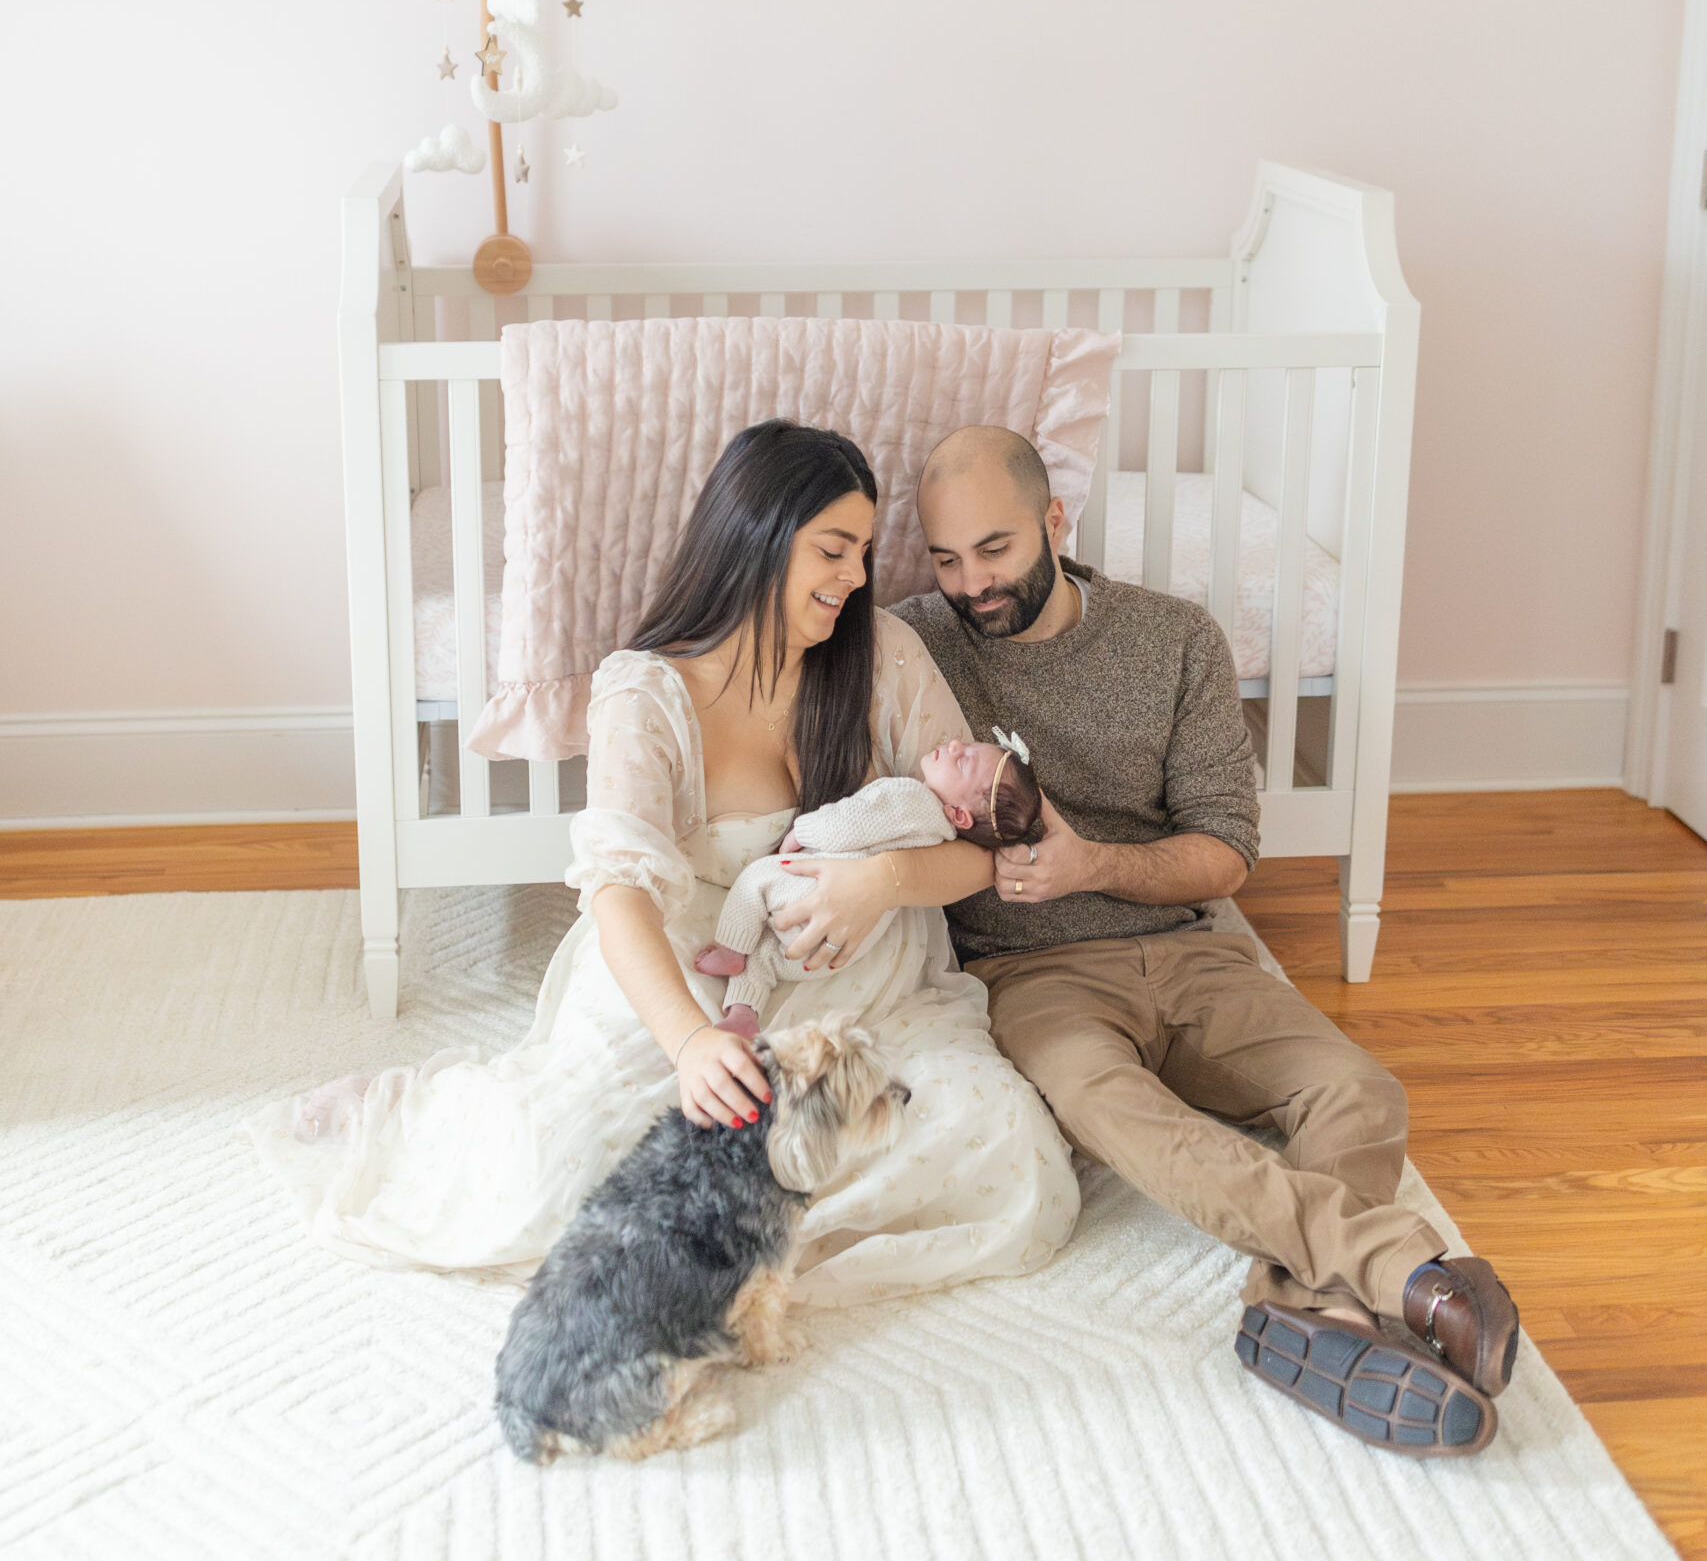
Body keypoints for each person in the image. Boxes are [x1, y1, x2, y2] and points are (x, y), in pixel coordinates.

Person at [247, 421, 1077, 1306]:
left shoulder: (883, 656)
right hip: (691, 973)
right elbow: (617, 894)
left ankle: (745, 1242)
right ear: (754, 539)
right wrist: (688, 1044)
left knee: (1006, 1148)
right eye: (832, 551)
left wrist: (880, 883)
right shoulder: (646, 691)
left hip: (866, 986)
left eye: (864, 554)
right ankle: (429, 1118)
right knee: (548, 1176)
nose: (854, 577)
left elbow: (978, 847)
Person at [888, 424, 1523, 1455]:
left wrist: (1090, 862)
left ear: (1057, 520)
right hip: (1032, 969)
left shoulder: (1174, 640)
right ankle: (1394, 1265)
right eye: (947, 557)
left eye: (995, 550)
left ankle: (1305, 1309)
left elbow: (1227, 853)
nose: (970, 585)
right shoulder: (915, 641)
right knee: (1115, 1108)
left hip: (1191, 946)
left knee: (1363, 1091)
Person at [695, 732, 1045, 1020]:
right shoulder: (940, 838)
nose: (954, 745)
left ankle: (730, 947)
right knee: (768, 958)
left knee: (757, 879)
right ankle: (743, 1012)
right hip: (845, 943)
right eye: (966, 746)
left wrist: (802, 831)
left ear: (960, 814)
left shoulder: (911, 798)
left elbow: (848, 825)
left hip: (815, 889)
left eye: (964, 759)